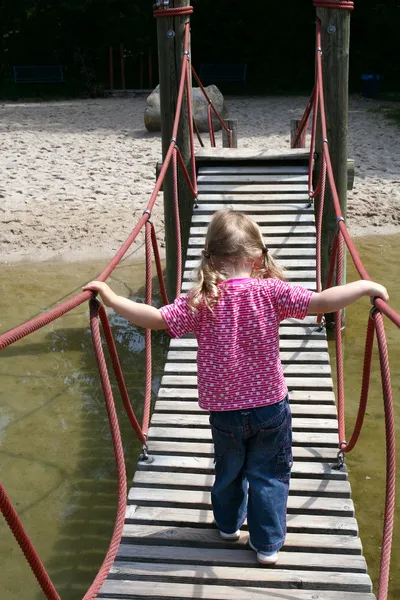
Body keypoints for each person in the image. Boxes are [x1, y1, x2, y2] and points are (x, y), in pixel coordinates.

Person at [83, 209, 388, 566]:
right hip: (270, 408)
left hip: (224, 411)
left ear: (209, 256)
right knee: (269, 475)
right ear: (258, 256)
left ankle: (227, 526)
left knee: (229, 470)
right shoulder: (271, 291)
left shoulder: (201, 299)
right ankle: (268, 545)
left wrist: (111, 298)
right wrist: (367, 287)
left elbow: (156, 319)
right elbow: (322, 301)